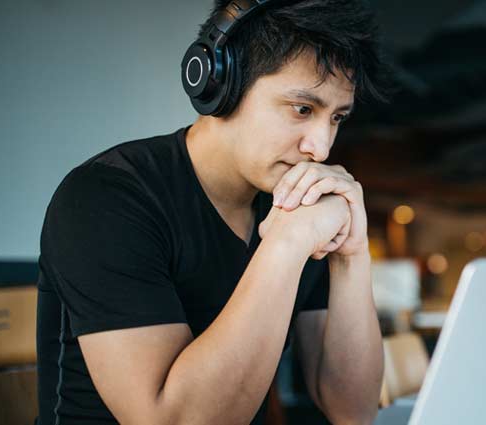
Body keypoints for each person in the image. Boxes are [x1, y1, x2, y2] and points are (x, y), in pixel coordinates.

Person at [36, 1, 391, 424]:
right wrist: (285, 244)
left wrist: (352, 256)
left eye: (336, 117)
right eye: (302, 109)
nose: (321, 147)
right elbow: (174, 421)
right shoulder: (106, 198)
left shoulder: (299, 204)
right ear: (221, 84)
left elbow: (353, 411)